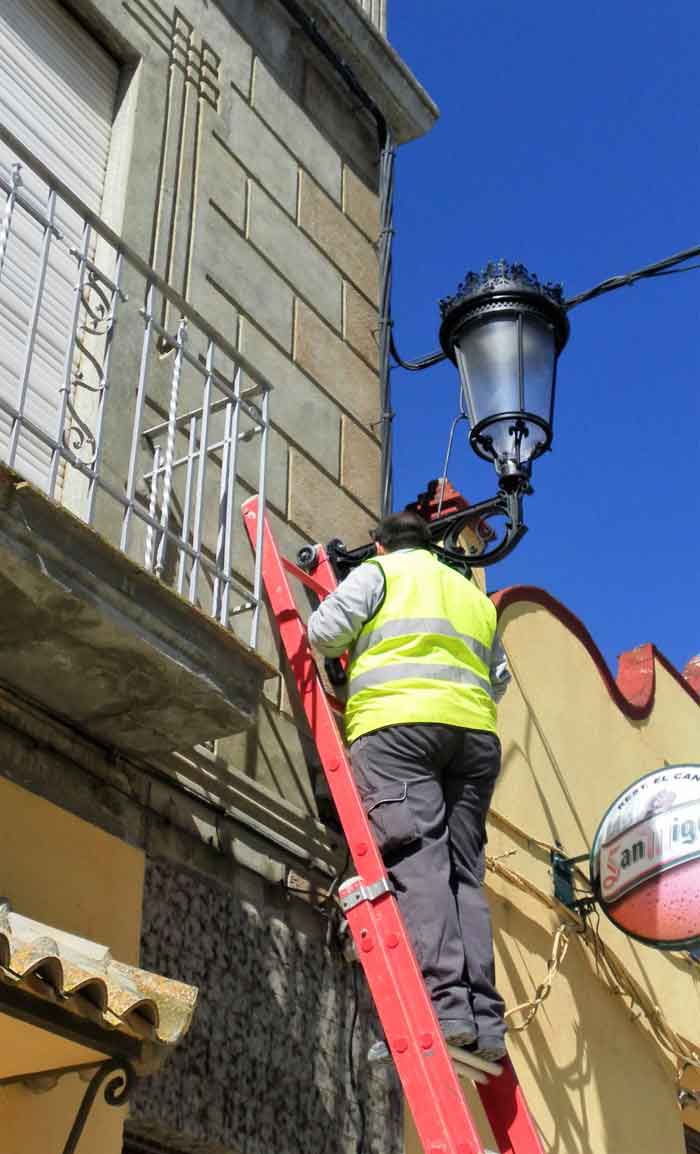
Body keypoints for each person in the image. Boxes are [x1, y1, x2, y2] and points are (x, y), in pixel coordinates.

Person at [307, 510, 511, 1064]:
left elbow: (323, 633)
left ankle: (443, 1008)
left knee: (419, 861)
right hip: (473, 738)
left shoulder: (381, 573)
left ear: (380, 546)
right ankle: (484, 1022)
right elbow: (499, 679)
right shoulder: (471, 595)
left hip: (397, 730)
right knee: (464, 872)